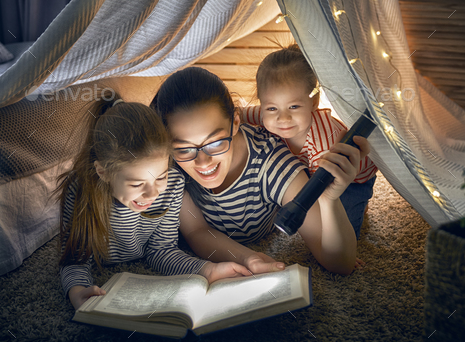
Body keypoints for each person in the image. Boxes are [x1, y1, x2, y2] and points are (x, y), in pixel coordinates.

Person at [152, 67, 371, 276]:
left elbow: (340, 263)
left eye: (215, 142)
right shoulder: (170, 163)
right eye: (185, 148)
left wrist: (329, 200)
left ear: (235, 122)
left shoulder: (273, 163)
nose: (202, 161)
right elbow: (196, 230)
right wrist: (248, 258)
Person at [56, 92, 250, 310]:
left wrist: (207, 270)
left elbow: (161, 250)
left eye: (160, 177)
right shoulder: (81, 190)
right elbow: (75, 259)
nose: (152, 194)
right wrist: (77, 290)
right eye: (137, 184)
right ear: (103, 172)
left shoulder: (173, 184)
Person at [241, 44, 377, 239]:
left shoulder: (324, 143)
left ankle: (361, 204)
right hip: (309, 169)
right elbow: (239, 115)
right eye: (271, 108)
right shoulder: (265, 116)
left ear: (314, 102)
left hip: (350, 179)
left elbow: (319, 192)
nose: (283, 118)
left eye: (294, 106)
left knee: (340, 230)